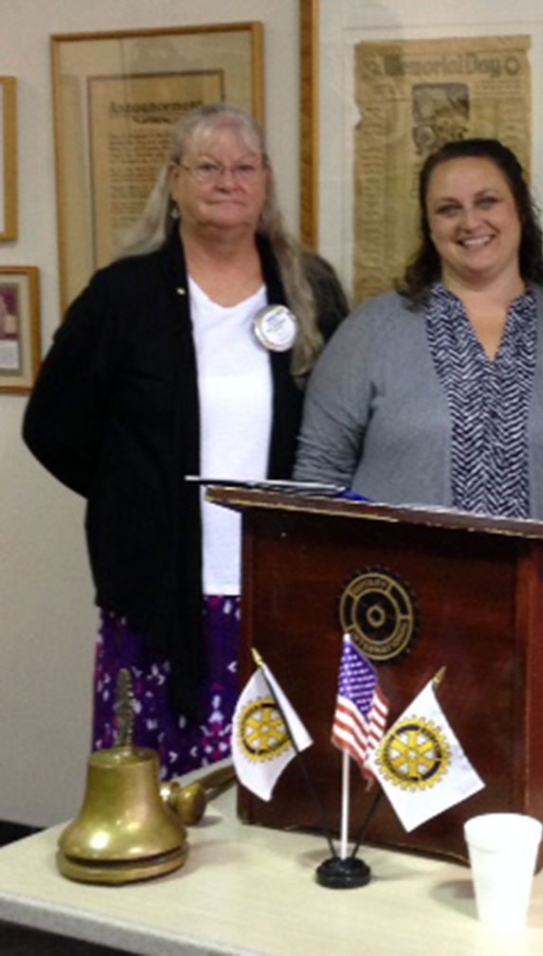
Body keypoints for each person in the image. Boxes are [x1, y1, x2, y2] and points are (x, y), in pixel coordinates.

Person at [23, 105, 348, 778]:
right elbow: (53, 425)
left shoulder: (309, 288)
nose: (227, 180)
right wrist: (134, 492)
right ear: (174, 182)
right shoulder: (124, 295)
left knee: (275, 783)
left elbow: (339, 423)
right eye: (207, 166)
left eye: (244, 166)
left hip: (277, 584)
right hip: (157, 590)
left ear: (266, 181)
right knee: (160, 787)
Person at [295, 138, 543, 541]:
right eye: (448, 209)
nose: (470, 223)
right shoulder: (369, 333)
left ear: (520, 209)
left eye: (487, 202)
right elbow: (318, 479)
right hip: (400, 596)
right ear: (430, 227)